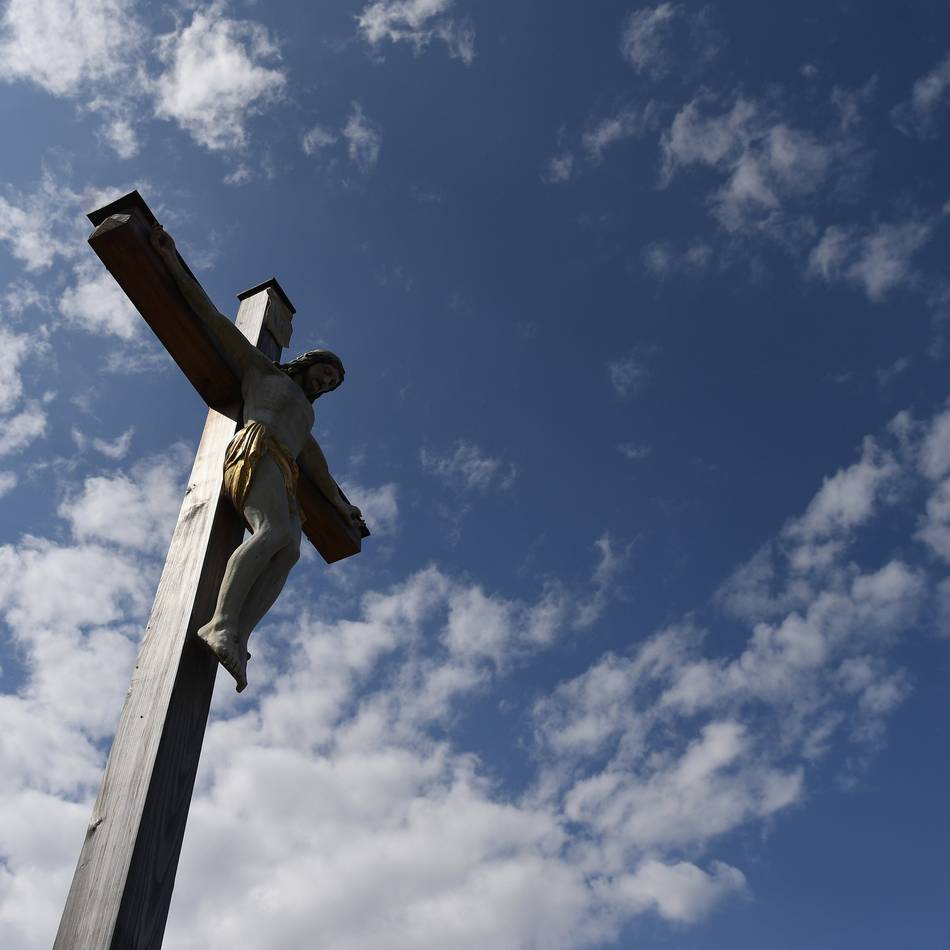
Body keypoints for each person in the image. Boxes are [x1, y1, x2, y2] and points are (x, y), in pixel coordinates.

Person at [151, 226, 363, 691]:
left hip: (284, 467)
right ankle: (221, 622)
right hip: (254, 446)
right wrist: (170, 261)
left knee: (288, 550)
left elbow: (320, 470)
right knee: (269, 532)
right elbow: (210, 319)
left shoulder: (306, 418)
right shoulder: (261, 371)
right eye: (324, 374)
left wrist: (344, 507)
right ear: (307, 363)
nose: (324, 384)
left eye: (331, 385)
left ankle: (238, 634)